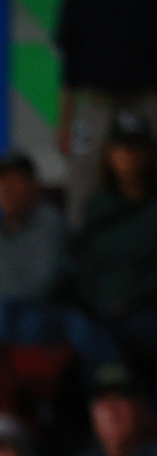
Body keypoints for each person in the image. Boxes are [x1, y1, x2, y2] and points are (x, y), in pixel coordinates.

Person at [53, 0, 157, 222]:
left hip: (146, 98)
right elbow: (71, 58)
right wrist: (65, 121)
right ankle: (81, 250)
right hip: (95, 103)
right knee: (82, 178)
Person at [64, 111, 157, 372]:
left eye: (137, 148)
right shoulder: (97, 206)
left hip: (146, 311)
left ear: (149, 153)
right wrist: (95, 302)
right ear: (108, 154)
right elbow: (85, 264)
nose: (128, 155)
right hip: (101, 309)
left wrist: (127, 301)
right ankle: (114, 392)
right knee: (78, 324)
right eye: (121, 147)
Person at [0, 152, 68, 345]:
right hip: (1, 313)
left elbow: (41, 287)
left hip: (47, 312)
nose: (5, 190)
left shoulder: (50, 224)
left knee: (12, 317)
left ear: (34, 185)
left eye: (13, 181)